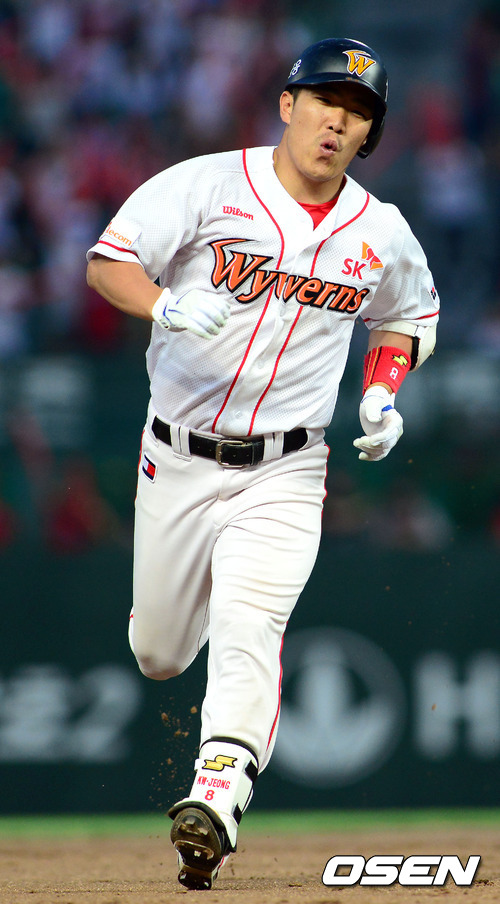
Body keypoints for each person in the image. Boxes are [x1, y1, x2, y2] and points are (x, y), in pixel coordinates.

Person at [86, 37, 439, 890]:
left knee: (252, 621)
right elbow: (107, 262)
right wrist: (165, 305)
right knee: (160, 653)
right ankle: (187, 620)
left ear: (369, 135)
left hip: (288, 467)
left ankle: (218, 792)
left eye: (356, 112)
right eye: (324, 101)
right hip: (176, 454)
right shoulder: (208, 185)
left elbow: (407, 314)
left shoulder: (381, 230)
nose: (336, 121)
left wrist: (382, 389)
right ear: (287, 105)